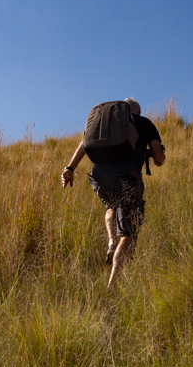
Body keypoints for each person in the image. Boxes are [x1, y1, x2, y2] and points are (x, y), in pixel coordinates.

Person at [61, 98, 164, 287]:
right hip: (127, 177)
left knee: (111, 206)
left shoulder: (107, 125)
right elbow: (158, 158)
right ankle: (112, 285)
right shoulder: (144, 123)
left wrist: (69, 169)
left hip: (99, 177)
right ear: (137, 112)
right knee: (128, 235)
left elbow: (84, 144)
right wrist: (157, 155)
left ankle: (110, 241)